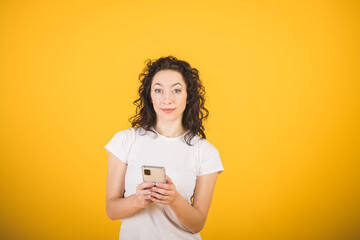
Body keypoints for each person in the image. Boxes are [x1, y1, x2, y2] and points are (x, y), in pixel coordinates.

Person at [104, 55, 224, 240]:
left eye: (176, 90)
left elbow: (197, 224)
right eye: (158, 90)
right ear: (150, 96)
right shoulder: (124, 141)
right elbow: (111, 210)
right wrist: (137, 200)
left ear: (188, 96)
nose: (167, 100)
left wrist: (175, 200)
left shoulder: (206, 152)